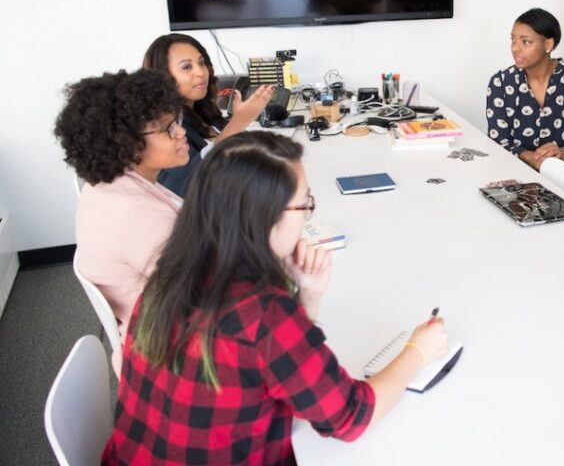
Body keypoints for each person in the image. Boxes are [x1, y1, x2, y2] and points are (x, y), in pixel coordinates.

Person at [104, 132, 449, 464]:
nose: (307, 218)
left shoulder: (170, 274)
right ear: (267, 218)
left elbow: (270, 367)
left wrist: (308, 296)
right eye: (304, 206)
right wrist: (418, 350)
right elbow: (352, 416)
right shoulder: (263, 314)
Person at [53, 69, 188, 347]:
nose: (181, 132)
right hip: (173, 350)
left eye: (177, 121)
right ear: (127, 143)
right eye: (167, 128)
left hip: (151, 328)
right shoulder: (137, 215)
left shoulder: (105, 185)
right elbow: (209, 298)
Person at [142, 33, 273, 196]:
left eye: (201, 63)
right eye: (187, 67)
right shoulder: (165, 130)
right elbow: (186, 186)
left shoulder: (205, 112)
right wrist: (238, 123)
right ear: (162, 77)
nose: (200, 72)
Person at [486, 8, 564, 172]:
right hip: (517, 176)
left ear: (548, 44)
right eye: (513, 40)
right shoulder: (501, 84)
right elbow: (498, 142)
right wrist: (529, 157)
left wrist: (563, 154)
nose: (515, 48)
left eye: (525, 42)